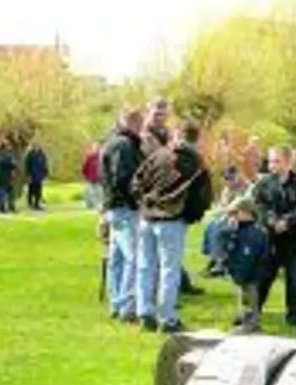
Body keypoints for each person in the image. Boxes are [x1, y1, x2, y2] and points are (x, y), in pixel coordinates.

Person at [132, 122, 213, 333]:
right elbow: (203, 196)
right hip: (172, 219)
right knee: (170, 270)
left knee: (145, 266)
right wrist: (190, 216)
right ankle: (167, 319)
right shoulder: (196, 162)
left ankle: (144, 313)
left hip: (147, 217)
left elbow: (136, 183)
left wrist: (146, 202)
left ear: (177, 134)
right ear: (197, 138)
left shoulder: (158, 155)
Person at [253, 146, 296, 326]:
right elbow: (259, 206)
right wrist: (273, 221)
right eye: (270, 161)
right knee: (263, 277)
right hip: (271, 239)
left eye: (277, 161)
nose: (272, 165)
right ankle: (253, 311)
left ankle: (295, 315)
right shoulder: (263, 184)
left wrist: (288, 221)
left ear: (289, 162)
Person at [99, 110, 146, 321]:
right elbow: (124, 178)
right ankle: (126, 306)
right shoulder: (125, 146)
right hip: (124, 208)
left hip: (113, 206)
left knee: (116, 259)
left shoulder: (111, 143)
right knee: (133, 258)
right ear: (134, 123)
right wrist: (137, 200)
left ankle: (115, 303)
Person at [219, 192, 273, 333]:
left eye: (235, 213)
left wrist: (242, 272)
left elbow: (249, 254)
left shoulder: (254, 232)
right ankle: (244, 317)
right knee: (243, 295)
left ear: (246, 212)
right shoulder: (238, 229)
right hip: (242, 270)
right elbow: (224, 243)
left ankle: (253, 323)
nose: (232, 217)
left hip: (252, 271)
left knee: (251, 296)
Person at [25, 141, 49, 211]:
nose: (37, 148)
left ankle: (37, 204)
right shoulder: (30, 155)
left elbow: (44, 164)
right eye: (35, 146)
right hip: (32, 174)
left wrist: (45, 173)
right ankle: (30, 202)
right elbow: (27, 165)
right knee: (31, 189)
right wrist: (28, 174)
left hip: (39, 175)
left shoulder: (42, 154)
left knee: (38, 190)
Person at [0, 140, 17, 214]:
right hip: (5, 177)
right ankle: (5, 207)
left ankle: (3, 207)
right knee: (5, 193)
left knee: (2, 192)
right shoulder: (7, 156)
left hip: (1, 177)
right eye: (8, 146)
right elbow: (12, 165)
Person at [81, 142, 103, 209]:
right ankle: (93, 204)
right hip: (91, 178)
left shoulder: (101, 157)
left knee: (98, 191)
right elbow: (84, 167)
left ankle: (98, 204)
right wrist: (86, 175)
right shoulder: (89, 157)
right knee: (91, 192)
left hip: (98, 178)